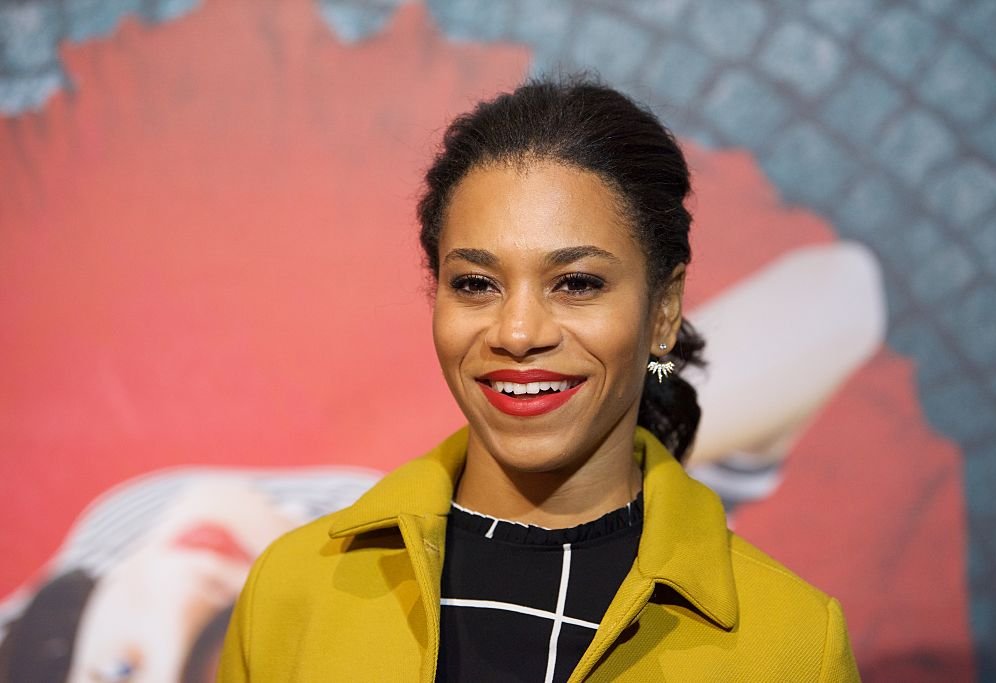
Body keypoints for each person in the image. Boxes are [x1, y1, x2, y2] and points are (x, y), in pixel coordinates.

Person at [216, 78, 861, 682]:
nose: (517, 333)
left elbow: (845, 289)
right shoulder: (290, 592)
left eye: (577, 283)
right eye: (476, 284)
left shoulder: (794, 642)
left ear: (663, 310)